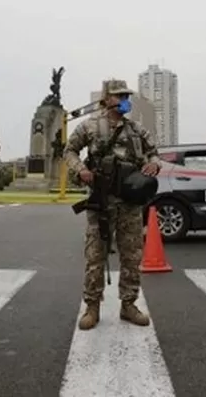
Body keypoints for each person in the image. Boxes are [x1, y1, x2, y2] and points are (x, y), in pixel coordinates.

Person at [64, 79, 161, 330]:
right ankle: (92, 306)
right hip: (102, 200)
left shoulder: (136, 129)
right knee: (95, 255)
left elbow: (154, 153)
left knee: (131, 254)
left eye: (127, 95)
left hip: (130, 201)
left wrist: (154, 164)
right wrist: (81, 169)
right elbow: (69, 151)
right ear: (107, 99)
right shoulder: (90, 127)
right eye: (119, 95)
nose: (125, 99)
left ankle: (129, 304)